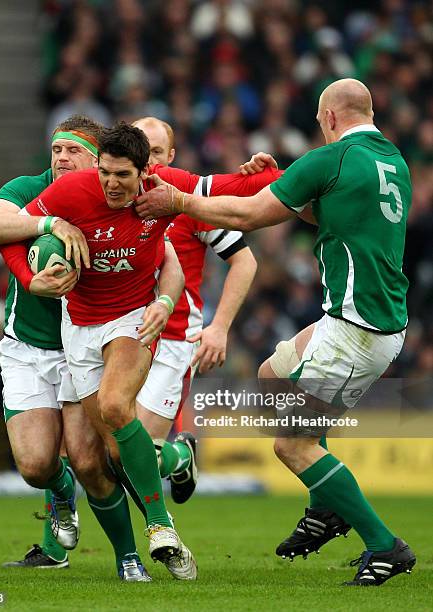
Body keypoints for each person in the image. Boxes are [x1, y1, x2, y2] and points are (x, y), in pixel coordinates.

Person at [134, 79, 416, 586]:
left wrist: (179, 201)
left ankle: (383, 545)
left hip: (357, 328)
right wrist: (280, 179)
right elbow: (321, 207)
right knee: (272, 373)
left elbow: (249, 215)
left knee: (290, 443)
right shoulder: (393, 160)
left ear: (328, 117)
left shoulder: (327, 158)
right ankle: (325, 507)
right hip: (365, 318)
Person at [0, 116, 160, 581]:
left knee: (92, 460)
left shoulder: (121, 197)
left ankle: (130, 555)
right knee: (37, 465)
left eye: (72, 151)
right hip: (28, 347)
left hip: (88, 347)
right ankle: (59, 495)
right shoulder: (30, 188)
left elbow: (167, 252)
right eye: (55, 149)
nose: (60, 158)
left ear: (99, 162)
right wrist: (49, 223)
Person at [132, 117, 259, 503]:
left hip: (172, 341)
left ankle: (177, 456)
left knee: (133, 457)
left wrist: (218, 328)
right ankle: (179, 456)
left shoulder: (190, 205)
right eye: (141, 152)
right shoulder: (112, 198)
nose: (149, 162)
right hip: (119, 337)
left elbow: (245, 262)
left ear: (171, 156)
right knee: (101, 453)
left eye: (157, 153)